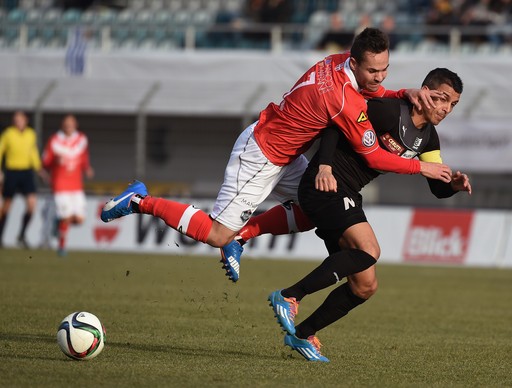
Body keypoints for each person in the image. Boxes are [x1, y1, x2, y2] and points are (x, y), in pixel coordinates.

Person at [100, 28, 452, 281]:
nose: (378, 77)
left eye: (384, 70)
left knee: (314, 206)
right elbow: (375, 158)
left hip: (285, 153)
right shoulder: (346, 100)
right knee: (216, 234)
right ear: (356, 64)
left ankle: (244, 237)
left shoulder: (336, 60)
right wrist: (420, 168)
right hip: (262, 156)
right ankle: (139, 200)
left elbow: (369, 92)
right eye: (372, 71)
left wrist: (398, 91)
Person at [260, 68, 471, 361]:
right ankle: (289, 295)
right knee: (369, 249)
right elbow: (335, 124)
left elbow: (438, 187)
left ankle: (302, 334)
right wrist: (323, 166)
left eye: (453, 104)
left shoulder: (429, 140)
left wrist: (455, 188)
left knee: (364, 286)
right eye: (442, 98)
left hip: (347, 193)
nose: (446, 108)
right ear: (425, 91)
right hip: (326, 183)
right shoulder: (389, 111)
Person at [42, 114, 93, 256]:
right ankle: (62, 247)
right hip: (60, 184)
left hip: (76, 185)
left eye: (71, 123)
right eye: (66, 123)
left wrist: (87, 168)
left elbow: (83, 157)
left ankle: (57, 223)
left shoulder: (81, 139)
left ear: (75, 125)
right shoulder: (55, 141)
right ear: (62, 125)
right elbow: (45, 161)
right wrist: (52, 164)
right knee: (66, 216)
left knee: (79, 219)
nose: (68, 126)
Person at [0, 111, 43, 248]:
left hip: (26, 172)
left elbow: (33, 152)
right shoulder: (8, 133)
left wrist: (39, 168)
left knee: (31, 205)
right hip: (11, 172)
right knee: (6, 206)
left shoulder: (31, 134)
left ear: (26, 120)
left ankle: (22, 235)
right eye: (16, 119)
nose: (18, 121)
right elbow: (0, 150)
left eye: (20, 119)